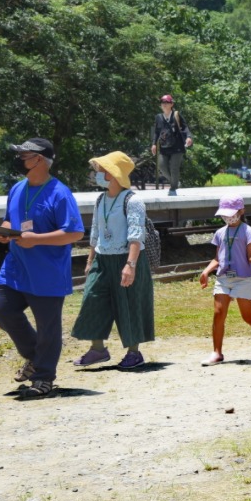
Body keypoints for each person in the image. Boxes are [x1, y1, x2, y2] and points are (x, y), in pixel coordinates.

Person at [0, 138, 85, 398]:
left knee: (48, 328)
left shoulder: (60, 193)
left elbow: (74, 232)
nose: (20, 160)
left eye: (24, 155)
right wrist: (5, 231)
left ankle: (44, 378)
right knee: (3, 310)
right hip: (15, 268)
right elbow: (13, 219)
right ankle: (36, 357)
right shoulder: (17, 188)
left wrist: (37, 239)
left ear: (40, 160)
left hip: (47, 274)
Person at [72, 151, 156, 370]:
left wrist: (131, 265)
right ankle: (98, 349)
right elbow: (96, 230)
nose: (98, 173)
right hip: (103, 258)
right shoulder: (100, 199)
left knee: (129, 304)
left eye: (103, 170)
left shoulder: (133, 200)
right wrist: (91, 259)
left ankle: (134, 353)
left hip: (126, 259)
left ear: (115, 174)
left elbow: (136, 235)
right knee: (92, 299)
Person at [197, 194, 251, 365]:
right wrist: (206, 271)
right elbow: (218, 258)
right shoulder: (220, 233)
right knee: (218, 314)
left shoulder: (248, 231)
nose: (228, 217)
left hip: (243, 279)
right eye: (225, 214)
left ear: (241, 211)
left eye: (231, 213)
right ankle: (217, 353)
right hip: (223, 278)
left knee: (248, 317)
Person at [151, 94, 193, 196]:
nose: (164, 105)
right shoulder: (158, 117)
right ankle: (175, 182)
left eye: (166, 103)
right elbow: (156, 132)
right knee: (161, 166)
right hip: (164, 146)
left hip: (177, 146)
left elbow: (185, 127)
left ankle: (173, 188)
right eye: (162, 103)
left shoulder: (176, 115)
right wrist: (154, 144)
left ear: (171, 104)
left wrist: (189, 137)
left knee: (174, 167)